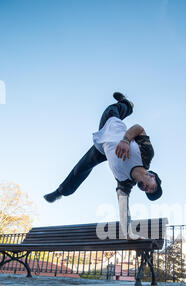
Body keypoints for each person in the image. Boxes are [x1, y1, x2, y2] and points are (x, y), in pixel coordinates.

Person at [44, 92, 163, 239]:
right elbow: (139, 128)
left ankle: (61, 191)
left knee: (79, 170)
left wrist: (128, 233)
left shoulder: (125, 183)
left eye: (148, 192)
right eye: (152, 187)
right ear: (152, 176)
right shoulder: (146, 154)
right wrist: (126, 140)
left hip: (101, 150)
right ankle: (127, 104)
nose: (147, 189)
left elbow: (123, 207)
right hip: (112, 126)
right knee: (112, 111)